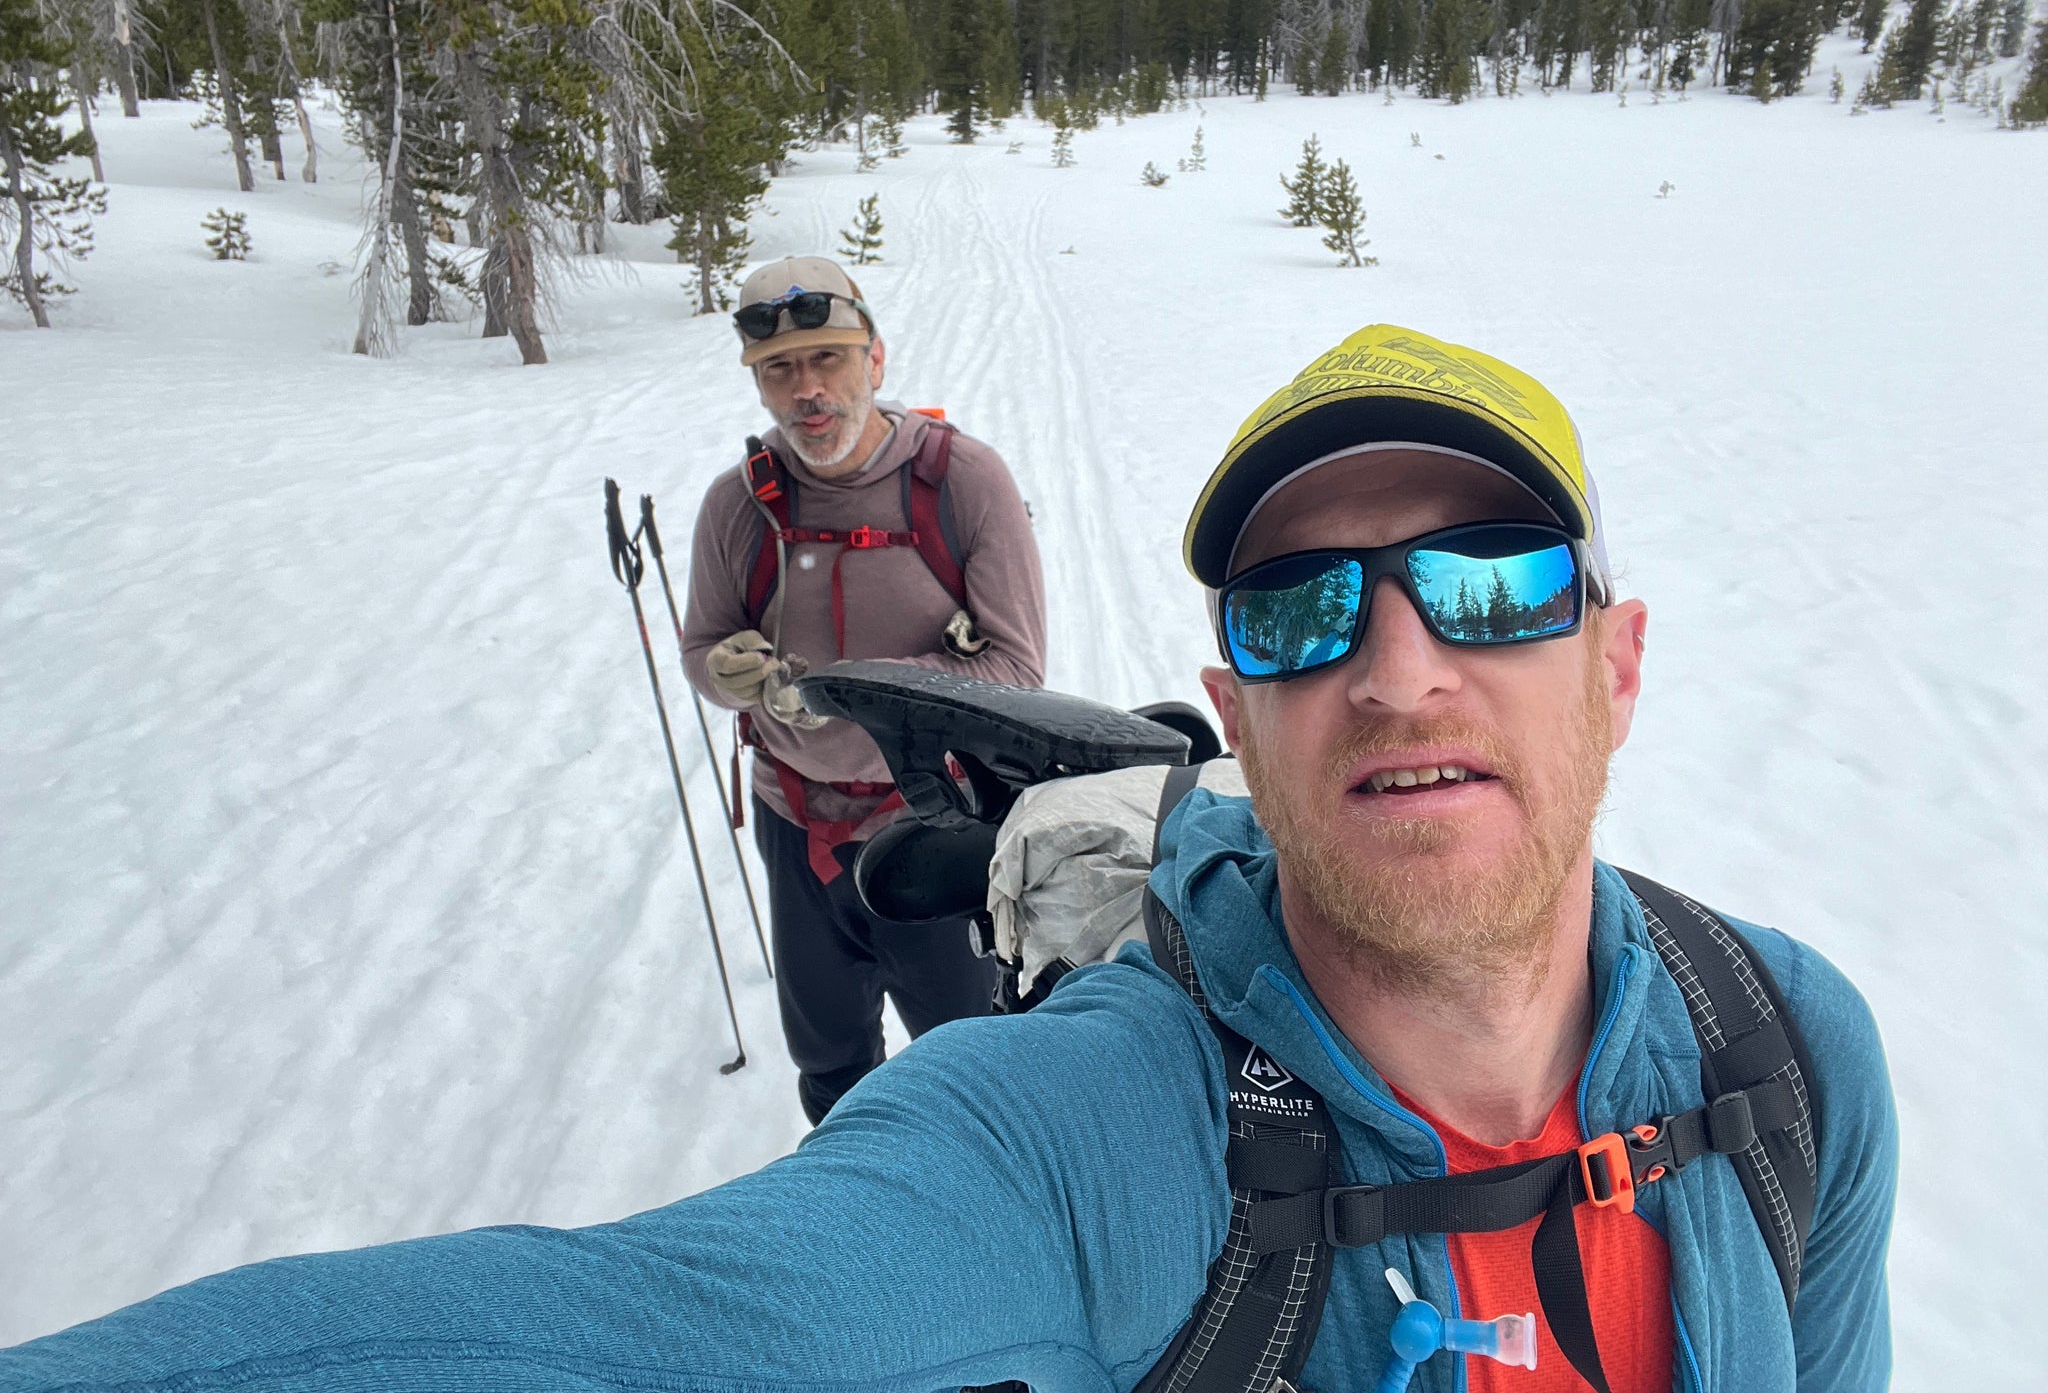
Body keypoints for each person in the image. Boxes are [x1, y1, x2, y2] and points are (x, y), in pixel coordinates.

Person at [0, 325, 1895, 1393]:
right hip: (798, 810)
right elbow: (664, 1334)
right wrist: (753, 688)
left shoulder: (1786, 1056)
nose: (1398, 670)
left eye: (1489, 589)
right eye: (1302, 613)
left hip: (922, 788)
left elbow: (1012, 649)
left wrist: (901, 698)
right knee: (859, 1051)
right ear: (1234, 707)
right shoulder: (1090, 1142)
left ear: (1618, 663)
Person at [683, 256, 1046, 1123]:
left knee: (970, 1059)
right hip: (795, 820)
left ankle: (982, 1223)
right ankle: (853, 1221)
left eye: (829, 360)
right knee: (830, 1064)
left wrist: (852, 693)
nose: (808, 390)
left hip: (940, 826)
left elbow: (1018, 672)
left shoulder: (962, 483)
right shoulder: (740, 506)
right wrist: (727, 674)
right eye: (779, 368)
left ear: (875, 361)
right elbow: (702, 649)